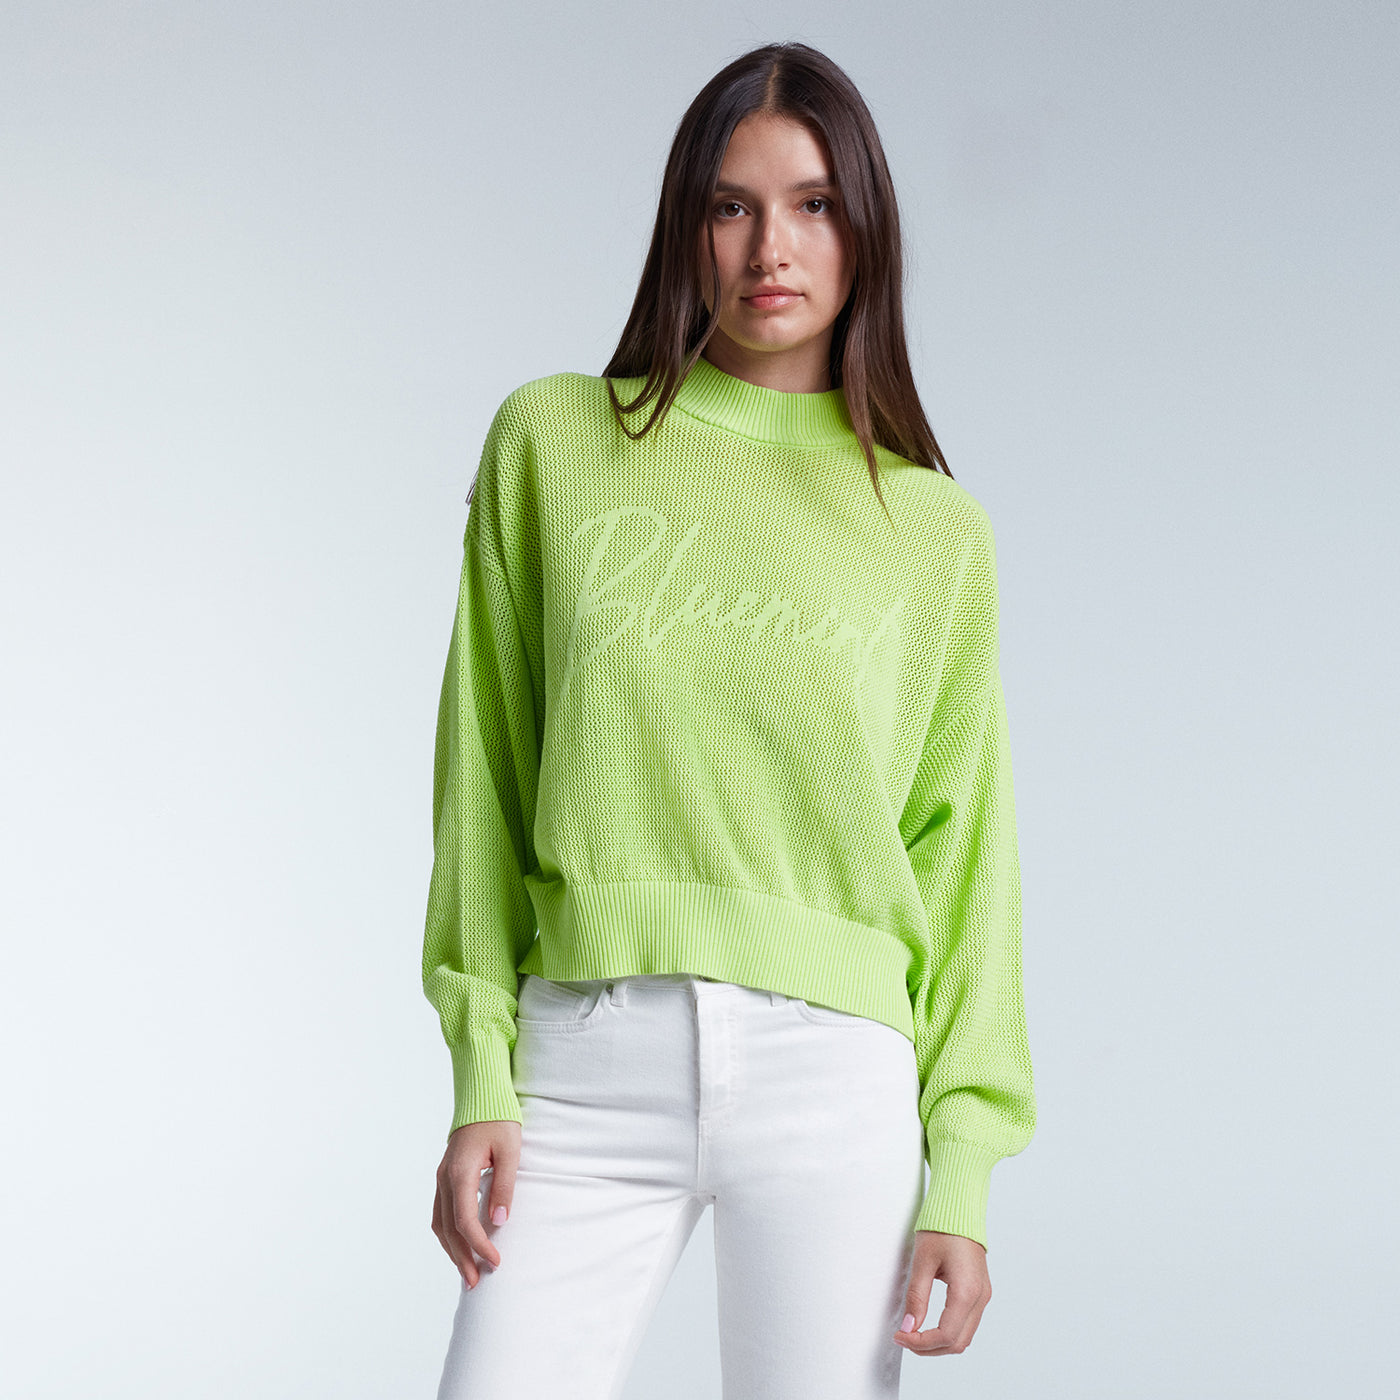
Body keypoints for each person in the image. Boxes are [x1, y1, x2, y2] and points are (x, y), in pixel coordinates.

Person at [421, 40, 1037, 1400]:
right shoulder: (555, 444)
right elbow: (484, 773)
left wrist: (965, 1172)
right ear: (684, 227)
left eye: (814, 204)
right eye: (731, 205)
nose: (772, 247)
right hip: (584, 1056)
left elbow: (962, 858)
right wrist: (481, 1074)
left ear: (865, 230)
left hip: (837, 1077)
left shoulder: (934, 529)